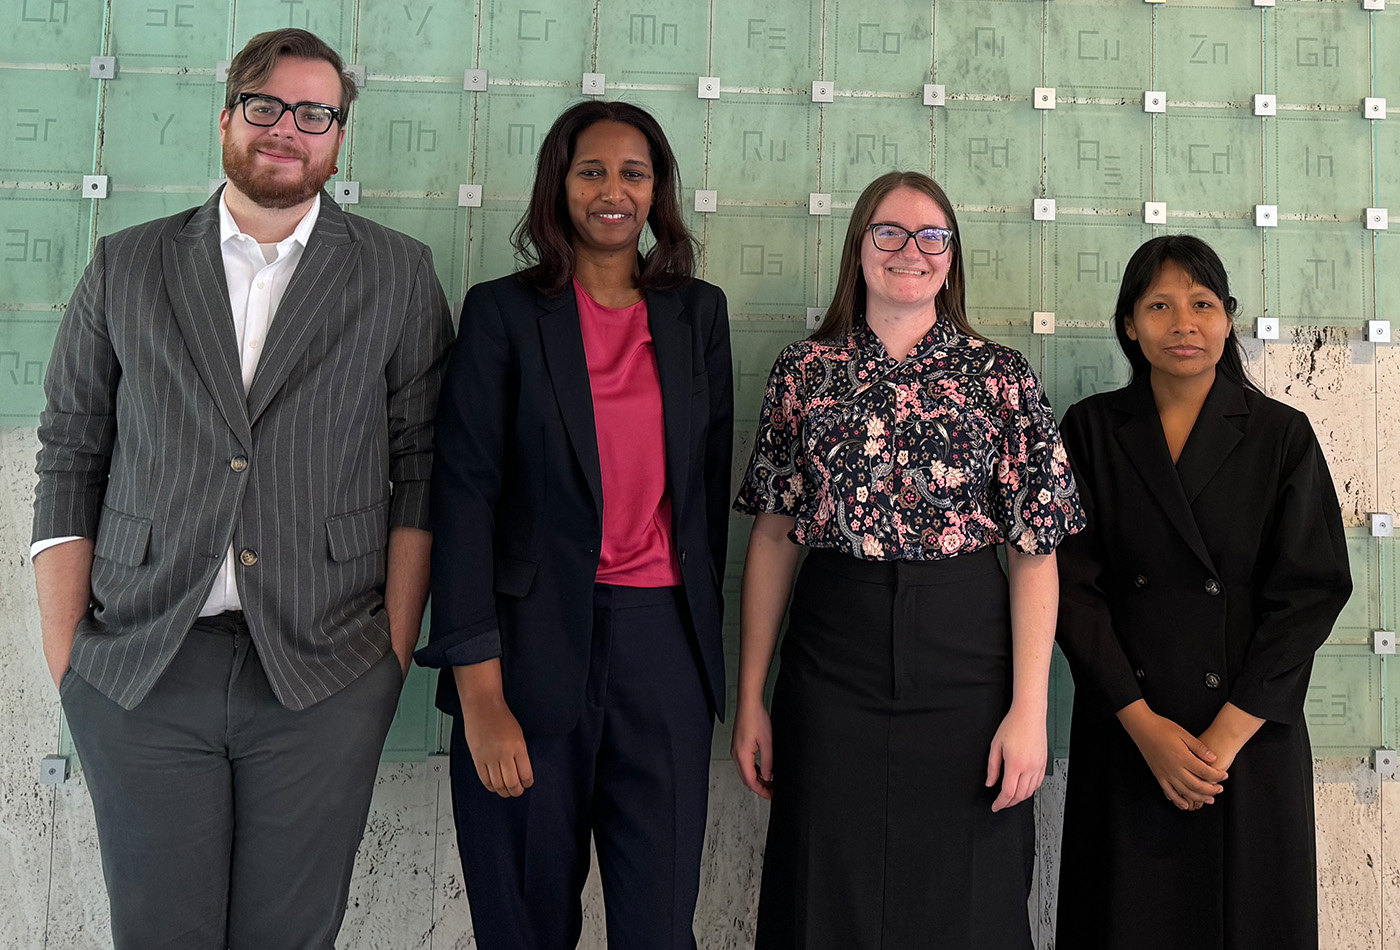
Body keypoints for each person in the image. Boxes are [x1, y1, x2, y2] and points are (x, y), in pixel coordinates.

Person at [30, 27, 453, 950]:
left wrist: (388, 656)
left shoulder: (397, 272)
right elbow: (70, 453)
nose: (286, 128)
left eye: (314, 113)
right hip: (140, 665)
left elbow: (422, 467)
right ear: (227, 119)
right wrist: (71, 662)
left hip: (324, 671)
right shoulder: (128, 264)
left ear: (339, 136)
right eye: (265, 106)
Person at [730, 170, 1084, 950]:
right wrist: (752, 693)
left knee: (971, 895)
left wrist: (1031, 712)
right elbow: (772, 535)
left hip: (966, 662)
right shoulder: (805, 372)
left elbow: (1035, 551)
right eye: (888, 232)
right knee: (822, 885)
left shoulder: (1001, 377)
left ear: (951, 259)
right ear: (859, 248)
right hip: (832, 658)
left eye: (932, 236)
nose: (910, 251)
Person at [413, 99, 732, 950]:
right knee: (522, 921)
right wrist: (479, 694)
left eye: (634, 172)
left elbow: (703, 501)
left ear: (657, 189)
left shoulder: (698, 315)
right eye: (592, 170)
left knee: (660, 926)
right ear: (560, 184)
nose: (612, 191)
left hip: (663, 655)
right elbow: (465, 499)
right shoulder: (503, 313)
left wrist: (705, 667)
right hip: (525, 653)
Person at [1054, 234, 1351, 950]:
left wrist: (1221, 740)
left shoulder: (1283, 435)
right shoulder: (1091, 430)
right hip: (1129, 731)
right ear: (1129, 323)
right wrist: (1145, 726)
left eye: (1202, 303)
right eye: (1159, 305)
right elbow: (1071, 592)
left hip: (1244, 743)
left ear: (1228, 319)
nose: (1183, 322)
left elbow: (1310, 594)